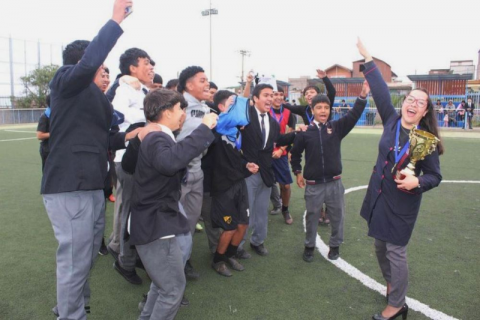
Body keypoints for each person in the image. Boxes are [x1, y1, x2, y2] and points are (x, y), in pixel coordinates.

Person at [41, 1, 132, 319]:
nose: (105, 74)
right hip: (69, 185)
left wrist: (130, 137)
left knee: (87, 254)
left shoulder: (98, 102)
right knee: (74, 257)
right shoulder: (65, 81)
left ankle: (68, 303)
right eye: (101, 67)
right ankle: (71, 313)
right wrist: (115, 21)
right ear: (84, 63)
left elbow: (105, 140)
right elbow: (89, 61)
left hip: (93, 184)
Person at [357, 39, 443, 320]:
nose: (414, 104)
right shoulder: (392, 121)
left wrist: (417, 182)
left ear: (424, 112)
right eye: (410, 99)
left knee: (395, 251)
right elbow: (381, 91)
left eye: (421, 102)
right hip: (380, 196)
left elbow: (434, 176)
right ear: (404, 103)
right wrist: (368, 58)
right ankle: (392, 283)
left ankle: (397, 304)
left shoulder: (425, 140)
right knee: (380, 246)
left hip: (403, 203)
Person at [129, 89, 218, 320]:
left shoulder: (156, 135)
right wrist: (203, 129)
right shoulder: (157, 136)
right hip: (156, 225)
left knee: (162, 285)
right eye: (181, 109)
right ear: (167, 112)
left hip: (154, 222)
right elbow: (170, 162)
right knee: (172, 290)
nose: (184, 114)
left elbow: (133, 165)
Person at [291, 81, 370, 262]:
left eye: (326, 107)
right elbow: (295, 155)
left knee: (337, 217)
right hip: (313, 185)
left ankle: (335, 246)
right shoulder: (304, 132)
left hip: (335, 183)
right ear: (312, 110)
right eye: (319, 107)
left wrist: (363, 96)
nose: (323, 111)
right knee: (312, 217)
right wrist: (298, 172)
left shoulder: (336, 128)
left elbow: (353, 115)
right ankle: (309, 246)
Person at [108, 47, 154, 285]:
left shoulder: (143, 89)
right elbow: (116, 115)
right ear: (132, 68)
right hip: (127, 160)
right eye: (146, 62)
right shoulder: (124, 87)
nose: (151, 67)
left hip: (143, 160)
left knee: (137, 210)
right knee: (129, 211)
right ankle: (123, 258)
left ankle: (129, 254)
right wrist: (146, 116)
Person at [238, 84, 296, 257]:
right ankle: (238, 245)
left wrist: (297, 133)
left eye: (272, 95)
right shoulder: (244, 117)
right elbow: (232, 144)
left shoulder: (272, 122)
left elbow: (278, 139)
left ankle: (258, 241)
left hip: (266, 172)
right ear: (255, 98)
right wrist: (244, 163)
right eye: (266, 95)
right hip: (247, 172)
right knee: (245, 211)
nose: (270, 98)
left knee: (262, 210)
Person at [209, 90, 257, 276]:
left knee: (243, 224)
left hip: (238, 182)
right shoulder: (219, 124)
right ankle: (217, 260)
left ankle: (230, 254)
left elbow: (236, 157)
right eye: (230, 103)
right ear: (221, 108)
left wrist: (246, 164)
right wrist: (247, 85)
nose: (236, 106)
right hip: (223, 186)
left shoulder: (235, 131)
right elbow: (238, 106)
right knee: (229, 227)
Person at [176, 66, 211, 278]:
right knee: (174, 220)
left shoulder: (206, 108)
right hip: (178, 172)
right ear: (189, 85)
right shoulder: (176, 105)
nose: (207, 84)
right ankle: (171, 267)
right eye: (202, 80)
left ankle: (184, 259)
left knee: (190, 219)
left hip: (197, 169)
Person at [269, 86, 296, 224]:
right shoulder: (264, 110)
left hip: (281, 153)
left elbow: (290, 134)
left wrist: (281, 150)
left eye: (281, 94)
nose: (278, 97)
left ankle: (285, 210)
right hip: (265, 153)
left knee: (285, 186)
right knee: (262, 184)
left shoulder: (288, 112)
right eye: (275, 94)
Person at [36, 95, 51, 172]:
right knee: (47, 174)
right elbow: (39, 135)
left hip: (56, 149)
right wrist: (53, 133)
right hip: (47, 150)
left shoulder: (57, 115)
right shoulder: (45, 116)